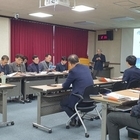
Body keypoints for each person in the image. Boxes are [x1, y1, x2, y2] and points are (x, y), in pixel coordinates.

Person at [60, 54, 93, 126]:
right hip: (90, 99)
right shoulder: (87, 68)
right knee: (70, 100)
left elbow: (65, 86)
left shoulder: (73, 71)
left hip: (80, 99)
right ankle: (76, 118)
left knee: (63, 102)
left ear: (70, 63)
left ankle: (75, 118)